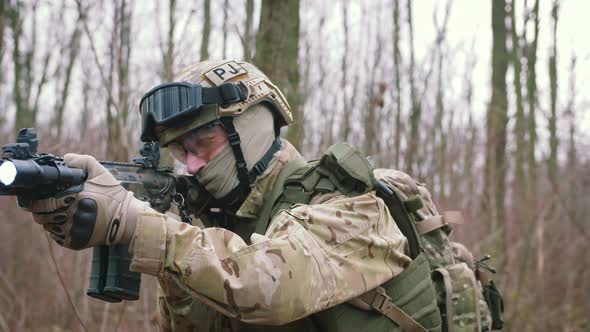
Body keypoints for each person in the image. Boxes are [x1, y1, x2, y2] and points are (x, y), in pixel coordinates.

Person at [23, 60, 489, 332]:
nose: (190, 164)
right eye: (179, 151)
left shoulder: (349, 203)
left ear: (250, 128)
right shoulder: (219, 224)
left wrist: (138, 224)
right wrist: (147, 240)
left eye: (201, 143)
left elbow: (268, 285)